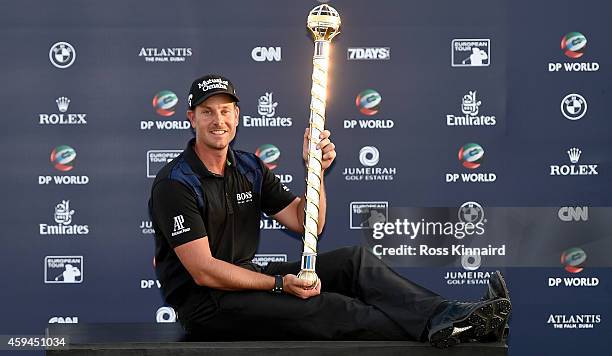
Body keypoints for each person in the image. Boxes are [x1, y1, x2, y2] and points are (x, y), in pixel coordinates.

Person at [149, 74, 511, 347]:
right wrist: (279, 284)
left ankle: (450, 317)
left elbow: (307, 221)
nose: (218, 120)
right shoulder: (175, 183)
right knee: (333, 308)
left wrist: (315, 171)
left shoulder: (248, 167)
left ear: (238, 116)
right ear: (190, 118)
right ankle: (463, 333)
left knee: (354, 262)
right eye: (207, 111)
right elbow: (204, 271)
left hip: (245, 281)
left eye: (225, 110)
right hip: (206, 306)